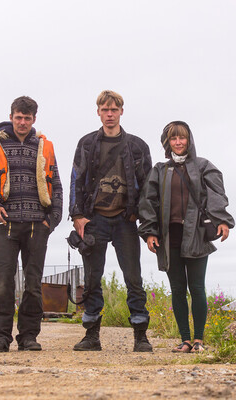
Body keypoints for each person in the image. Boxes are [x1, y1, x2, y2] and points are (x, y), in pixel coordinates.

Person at [138, 121, 234, 353]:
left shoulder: (203, 166)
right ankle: (185, 340)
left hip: (197, 234)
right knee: (178, 289)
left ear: (189, 140)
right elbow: (148, 201)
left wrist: (221, 219)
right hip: (169, 237)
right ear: (167, 142)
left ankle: (199, 340)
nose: (178, 142)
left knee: (197, 287)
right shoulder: (160, 170)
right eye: (173, 138)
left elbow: (216, 194)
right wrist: (150, 232)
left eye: (182, 137)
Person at [0, 96, 63, 352]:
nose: (22, 122)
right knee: (3, 282)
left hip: (38, 225)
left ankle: (28, 336)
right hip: (5, 224)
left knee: (33, 285)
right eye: (18, 117)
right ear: (11, 117)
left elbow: (57, 186)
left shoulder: (44, 146)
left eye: (27, 118)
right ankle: (0, 337)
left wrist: (52, 220)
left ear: (34, 119)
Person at [69, 90, 153, 352]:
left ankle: (141, 336)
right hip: (94, 220)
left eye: (113, 110)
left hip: (125, 220)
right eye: (105, 110)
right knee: (92, 279)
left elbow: (148, 186)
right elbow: (76, 179)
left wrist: (144, 217)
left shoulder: (137, 146)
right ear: (98, 112)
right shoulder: (86, 143)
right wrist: (77, 215)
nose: (109, 114)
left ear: (121, 112)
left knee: (134, 279)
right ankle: (91, 336)